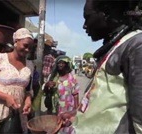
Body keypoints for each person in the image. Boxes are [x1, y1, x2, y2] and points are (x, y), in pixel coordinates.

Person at [70, 0, 142, 133]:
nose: (84, 26)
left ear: (106, 13)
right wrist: (77, 116)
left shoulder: (136, 45)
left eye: (87, 17)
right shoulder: (116, 46)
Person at [43, 55, 80, 133]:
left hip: (68, 110)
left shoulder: (72, 78)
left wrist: (76, 111)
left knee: (66, 129)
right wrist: (47, 85)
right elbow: (45, 92)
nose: (60, 65)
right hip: (54, 110)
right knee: (54, 129)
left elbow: (76, 94)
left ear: (67, 65)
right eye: (59, 63)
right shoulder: (53, 77)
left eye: (63, 63)